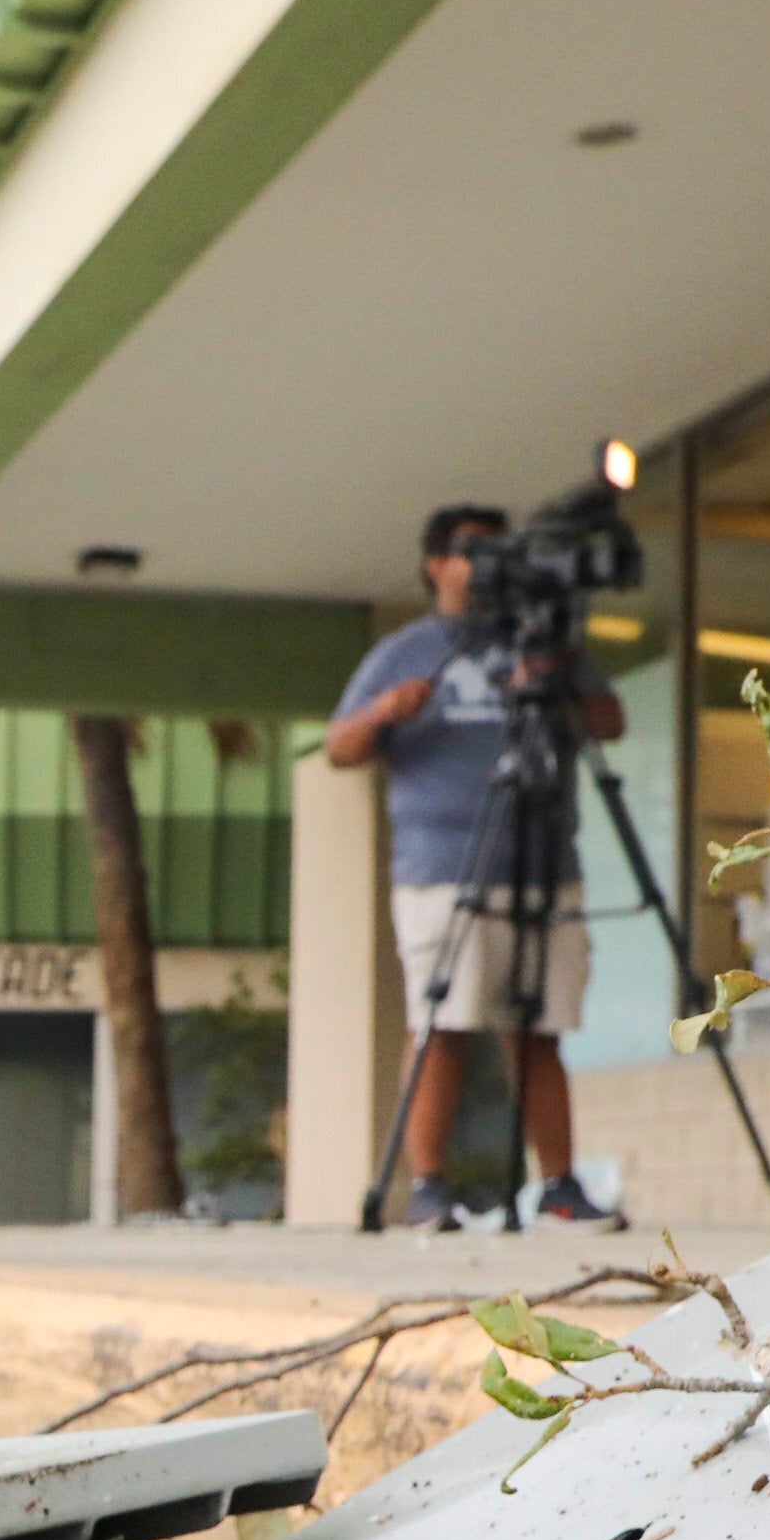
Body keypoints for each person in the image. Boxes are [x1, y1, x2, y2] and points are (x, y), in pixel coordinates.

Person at [325, 503, 625, 1229]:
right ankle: (428, 1190)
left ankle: (557, 1187)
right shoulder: (405, 650)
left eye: (502, 551)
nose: (491, 565)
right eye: (474, 552)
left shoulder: (540, 638)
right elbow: (340, 748)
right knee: (442, 1024)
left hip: (543, 860)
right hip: (444, 866)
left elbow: (608, 722)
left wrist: (557, 674)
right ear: (436, 565)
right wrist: (385, 713)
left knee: (539, 1030)